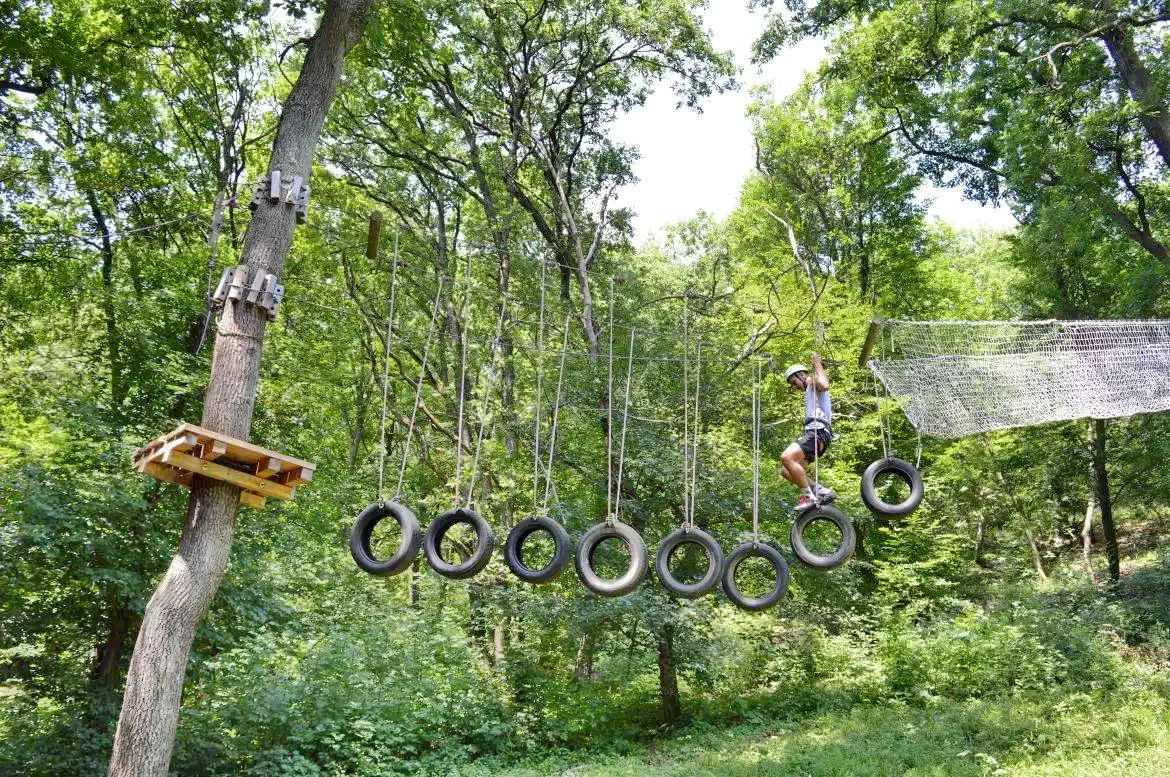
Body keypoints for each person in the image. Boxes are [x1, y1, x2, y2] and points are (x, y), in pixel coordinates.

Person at [780, 354, 836, 511]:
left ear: (801, 375)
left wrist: (817, 364)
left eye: (794, 381)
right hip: (818, 435)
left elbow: (824, 385)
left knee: (786, 457)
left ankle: (809, 496)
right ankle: (822, 491)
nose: (794, 386)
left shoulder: (811, 381)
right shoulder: (810, 390)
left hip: (817, 431)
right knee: (786, 471)